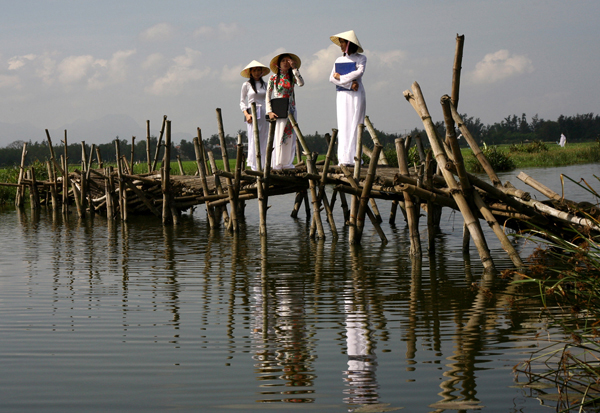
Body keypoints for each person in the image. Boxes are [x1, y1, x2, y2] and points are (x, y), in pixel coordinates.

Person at [329, 30, 367, 166]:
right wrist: (350, 84)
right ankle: (344, 158)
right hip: (343, 94)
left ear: (349, 44)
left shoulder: (361, 58)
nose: (341, 45)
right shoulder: (338, 60)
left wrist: (341, 77)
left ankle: (355, 157)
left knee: (356, 123)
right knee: (343, 124)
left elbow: (360, 72)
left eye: (342, 42)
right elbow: (331, 78)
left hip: (357, 95)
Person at [265, 53, 304, 170]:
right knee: (278, 135)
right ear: (278, 64)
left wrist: (295, 69)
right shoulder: (273, 78)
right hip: (278, 109)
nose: (286, 63)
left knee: (290, 136)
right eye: (283, 61)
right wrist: (269, 111)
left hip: (291, 109)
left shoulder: (292, 76)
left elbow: (301, 83)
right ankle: (277, 163)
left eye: (288, 61)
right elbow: (268, 95)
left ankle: (287, 163)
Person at [240, 60, 270, 171]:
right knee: (254, 138)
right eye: (254, 70)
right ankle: (255, 166)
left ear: (262, 72)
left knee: (265, 137)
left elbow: (269, 99)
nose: (257, 72)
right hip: (252, 113)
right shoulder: (246, 85)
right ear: (250, 72)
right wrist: (246, 114)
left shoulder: (266, 85)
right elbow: (242, 101)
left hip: (264, 112)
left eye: (258, 70)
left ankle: (264, 164)